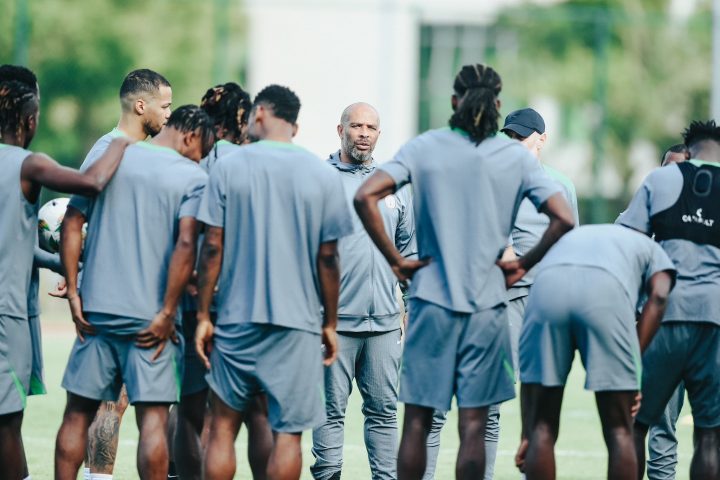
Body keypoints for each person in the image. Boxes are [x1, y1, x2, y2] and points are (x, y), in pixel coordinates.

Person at [353, 63, 574, 480]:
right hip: (488, 307)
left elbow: (366, 194)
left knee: (418, 421)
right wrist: (523, 265)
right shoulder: (513, 156)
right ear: (497, 106)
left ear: (454, 101)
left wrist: (397, 261)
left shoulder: (426, 147)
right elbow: (563, 218)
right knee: (474, 424)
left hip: (430, 302)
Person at [194, 85, 354, 480]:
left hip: (235, 319)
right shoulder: (322, 173)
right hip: (297, 325)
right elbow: (329, 257)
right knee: (287, 435)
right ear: (294, 126)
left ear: (261, 113)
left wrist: (202, 315)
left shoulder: (228, 166)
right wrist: (330, 323)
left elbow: (212, 246)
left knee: (223, 429)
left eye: (250, 115)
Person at [55, 105, 214, 480]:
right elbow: (187, 244)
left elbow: (71, 222)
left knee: (77, 414)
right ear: (191, 136)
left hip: (96, 313)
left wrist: (75, 293)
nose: (200, 160)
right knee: (153, 423)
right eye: (201, 151)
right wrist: (167, 312)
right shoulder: (192, 177)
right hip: (151, 321)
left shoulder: (113, 157)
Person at [0, 72, 130, 480]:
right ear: (31, 118)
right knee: (6, 421)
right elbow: (91, 183)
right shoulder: (29, 163)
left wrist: (60, 263)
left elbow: (14, 242)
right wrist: (126, 139)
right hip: (7, 315)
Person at [62, 68, 173, 480]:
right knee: (112, 404)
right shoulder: (108, 149)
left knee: (121, 403)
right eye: (165, 105)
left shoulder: (149, 152)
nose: (169, 113)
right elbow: (74, 221)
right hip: (118, 301)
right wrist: (74, 284)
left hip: (136, 298)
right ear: (140, 105)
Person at [515, 224, 675, 480]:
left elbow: (530, 376)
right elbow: (659, 296)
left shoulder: (582, 237)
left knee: (541, 428)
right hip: (605, 291)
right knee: (620, 430)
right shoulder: (655, 250)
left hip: (547, 286)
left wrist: (527, 431)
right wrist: (633, 363)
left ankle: (535, 435)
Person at [173, 82, 273, 480]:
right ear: (241, 118)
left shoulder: (191, 161)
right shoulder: (253, 162)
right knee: (256, 411)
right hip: (245, 301)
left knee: (192, 411)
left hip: (194, 301)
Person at [310, 102, 416, 480]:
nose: (363, 133)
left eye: (371, 127)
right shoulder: (319, 180)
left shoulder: (394, 183)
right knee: (329, 411)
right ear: (340, 131)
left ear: (378, 134)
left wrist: (409, 307)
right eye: (356, 126)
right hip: (334, 324)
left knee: (385, 412)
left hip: (385, 324)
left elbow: (409, 249)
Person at [618, 120, 720, 480]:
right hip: (715, 322)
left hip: (664, 315)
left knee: (635, 422)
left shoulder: (660, 178)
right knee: (709, 433)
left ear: (688, 151)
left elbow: (626, 246)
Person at [645, 141, 689, 480]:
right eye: (666, 168)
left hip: (704, 332)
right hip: (661, 331)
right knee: (661, 426)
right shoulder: (643, 210)